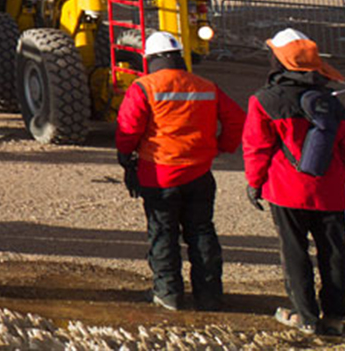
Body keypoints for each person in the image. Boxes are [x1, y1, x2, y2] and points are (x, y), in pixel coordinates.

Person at [114, 30, 244, 311]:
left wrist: (125, 158)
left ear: (150, 59)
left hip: (159, 176)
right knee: (202, 232)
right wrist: (220, 147)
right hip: (199, 174)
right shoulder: (206, 85)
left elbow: (128, 129)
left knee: (163, 234)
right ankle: (209, 296)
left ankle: (168, 294)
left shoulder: (143, 87)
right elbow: (237, 120)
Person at [243, 27, 345, 335]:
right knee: (336, 253)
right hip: (334, 190)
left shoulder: (264, 100)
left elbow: (257, 147)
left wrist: (255, 182)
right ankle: (337, 316)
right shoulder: (334, 99)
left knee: (294, 251)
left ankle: (305, 316)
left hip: (287, 190)